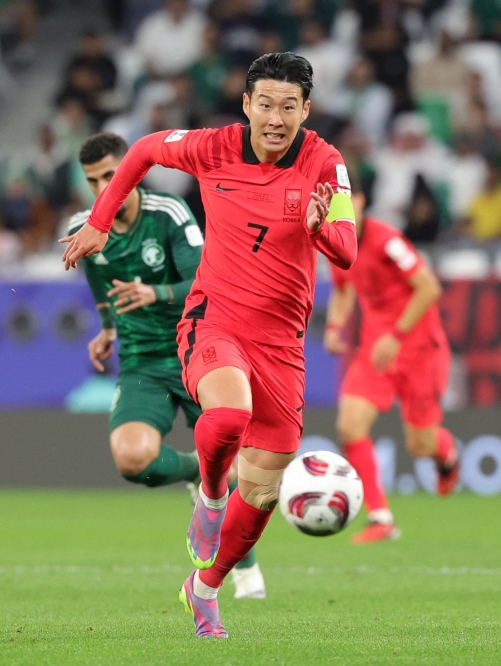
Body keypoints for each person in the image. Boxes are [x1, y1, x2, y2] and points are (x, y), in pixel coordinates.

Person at [61, 52, 358, 638]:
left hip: (283, 341)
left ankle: (205, 586)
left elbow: (347, 250)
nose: (276, 118)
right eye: (265, 104)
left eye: (288, 106)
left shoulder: (326, 163)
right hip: (214, 317)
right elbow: (144, 148)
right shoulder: (213, 146)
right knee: (227, 415)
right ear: (247, 105)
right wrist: (99, 217)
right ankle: (211, 497)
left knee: (267, 488)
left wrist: (321, 227)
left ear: (306, 109)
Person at [70, 131, 266, 600]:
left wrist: (154, 293)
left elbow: (205, 277)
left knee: (235, 469)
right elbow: (100, 281)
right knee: (132, 458)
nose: (103, 190)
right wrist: (108, 328)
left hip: (197, 350)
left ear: (133, 173)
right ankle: (195, 472)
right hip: (141, 361)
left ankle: (243, 570)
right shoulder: (86, 225)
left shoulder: (169, 214)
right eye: (93, 180)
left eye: (112, 176)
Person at [324, 176, 458, 544]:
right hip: (375, 351)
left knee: (420, 445)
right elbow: (342, 290)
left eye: (346, 201)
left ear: (363, 200)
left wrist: (396, 335)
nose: (340, 210)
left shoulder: (388, 241)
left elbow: (429, 287)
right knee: (349, 427)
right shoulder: (337, 243)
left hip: (417, 349)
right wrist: (335, 325)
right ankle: (381, 517)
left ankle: (446, 454)